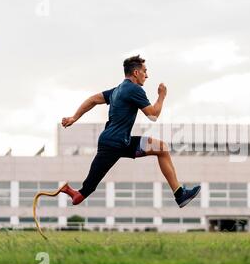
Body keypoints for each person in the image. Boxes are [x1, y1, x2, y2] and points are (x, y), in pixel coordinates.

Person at [59, 55, 201, 208]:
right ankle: (73, 192)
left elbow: (93, 100)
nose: (147, 75)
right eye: (144, 71)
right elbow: (153, 115)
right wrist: (161, 96)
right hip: (112, 144)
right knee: (85, 191)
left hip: (123, 142)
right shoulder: (134, 89)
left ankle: (180, 195)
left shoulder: (117, 90)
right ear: (135, 72)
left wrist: (74, 117)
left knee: (162, 148)